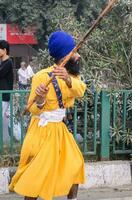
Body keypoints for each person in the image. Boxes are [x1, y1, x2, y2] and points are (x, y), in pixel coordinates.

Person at [9, 31, 86, 200]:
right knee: (37, 175)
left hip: (60, 129)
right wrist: (41, 100)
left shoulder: (72, 75)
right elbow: (33, 110)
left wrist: (67, 80)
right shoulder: (42, 77)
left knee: (75, 164)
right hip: (42, 131)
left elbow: (80, 90)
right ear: (64, 56)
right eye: (74, 52)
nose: (78, 56)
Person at [0, 40, 14, 144]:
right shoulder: (3, 62)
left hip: (4, 95)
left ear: (4, 50)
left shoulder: (9, 62)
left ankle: (5, 141)